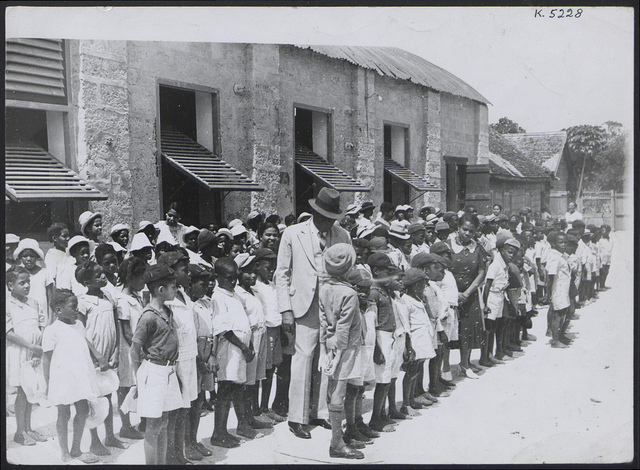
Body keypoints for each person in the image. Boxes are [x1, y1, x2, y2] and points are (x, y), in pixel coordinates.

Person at [275, 187, 351, 439]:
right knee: (303, 359)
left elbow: (348, 270)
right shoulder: (293, 233)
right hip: (303, 306)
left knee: (327, 358)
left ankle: (321, 412)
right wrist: (285, 309)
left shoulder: (343, 236)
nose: (328, 222)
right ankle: (297, 417)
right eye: (324, 216)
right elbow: (282, 274)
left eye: (332, 218)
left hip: (332, 307)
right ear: (315, 212)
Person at [131, 264, 183, 465]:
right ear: (161, 290)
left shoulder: (168, 311)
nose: (176, 290)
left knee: (165, 421)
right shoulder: (149, 316)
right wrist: (139, 380)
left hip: (169, 371)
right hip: (154, 372)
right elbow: (134, 349)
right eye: (173, 286)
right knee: (153, 426)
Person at [43, 289, 103, 463]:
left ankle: (76, 448)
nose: (77, 310)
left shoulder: (79, 325)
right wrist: (48, 383)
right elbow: (46, 359)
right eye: (73, 306)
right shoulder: (52, 330)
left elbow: (83, 345)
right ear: (58, 310)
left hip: (80, 376)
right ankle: (64, 451)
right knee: (64, 413)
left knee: (83, 410)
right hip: (63, 378)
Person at [318, 243, 365, 459]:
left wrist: (326, 350)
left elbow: (323, 322)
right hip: (344, 348)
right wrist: (337, 356)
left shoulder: (325, 289)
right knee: (338, 391)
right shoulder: (349, 293)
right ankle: (336, 443)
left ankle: (338, 439)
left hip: (330, 345)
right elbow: (344, 328)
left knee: (333, 390)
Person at [75, 261, 126, 456]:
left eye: (103, 273)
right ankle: (94, 441)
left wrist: (115, 352)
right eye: (98, 275)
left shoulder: (108, 297)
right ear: (87, 282)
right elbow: (81, 332)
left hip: (109, 356)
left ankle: (110, 436)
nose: (103, 277)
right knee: (94, 400)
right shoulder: (83, 301)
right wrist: (97, 355)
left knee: (108, 395)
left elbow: (115, 327)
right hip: (93, 358)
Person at [156, 251, 200, 463]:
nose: (188, 273)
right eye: (184, 270)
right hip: (177, 358)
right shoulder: (167, 301)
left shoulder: (183, 293)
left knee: (186, 405)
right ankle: (171, 453)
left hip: (190, 356)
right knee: (176, 408)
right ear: (171, 272)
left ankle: (179, 451)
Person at [210, 257, 255, 448]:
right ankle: (218, 433)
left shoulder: (234, 294)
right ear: (218, 277)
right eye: (229, 278)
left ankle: (237, 426)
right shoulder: (217, 296)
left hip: (241, 350)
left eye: (235, 277)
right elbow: (224, 329)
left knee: (237, 388)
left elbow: (243, 320)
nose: (234, 281)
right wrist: (243, 347)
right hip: (229, 350)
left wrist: (249, 344)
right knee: (225, 390)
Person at [6, 266, 46, 446]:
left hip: (34, 353)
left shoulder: (34, 303)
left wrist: (38, 348)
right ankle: (19, 431)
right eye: (22, 283)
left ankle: (28, 428)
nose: (26, 285)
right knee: (22, 391)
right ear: (10, 285)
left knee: (30, 390)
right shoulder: (7, 304)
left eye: (28, 281)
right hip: (18, 352)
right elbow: (8, 332)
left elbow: (42, 325)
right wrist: (31, 346)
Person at [234, 253, 272, 433]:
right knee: (246, 381)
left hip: (261, 335)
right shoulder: (238, 294)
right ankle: (243, 421)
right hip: (250, 337)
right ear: (239, 273)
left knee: (255, 380)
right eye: (247, 273)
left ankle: (251, 417)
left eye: (253, 272)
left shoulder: (255, 291)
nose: (252, 276)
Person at [446, 214, 487, 376]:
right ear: (458, 228)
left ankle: (465, 363)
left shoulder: (477, 247)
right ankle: (445, 370)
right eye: (465, 229)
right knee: (450, 330)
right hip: (450, 295)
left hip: (470, 296)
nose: (467, 234)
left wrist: (468, 293)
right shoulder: (447, 245)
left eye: (471, 231)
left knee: (468, 329)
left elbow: (482, 271)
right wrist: (455, 294)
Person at [366, 252, 400, 433]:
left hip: (390, 336)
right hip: (381, 337)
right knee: (382, 380)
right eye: (387, 271)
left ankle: (381, 414)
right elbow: (371, 322)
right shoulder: (374, 291)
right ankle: (375, 419)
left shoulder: (384, 290)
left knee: (387, 379)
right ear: (376, 271)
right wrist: (377, 348)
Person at [115, 257, 147, 441]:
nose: (143, 281)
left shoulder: (136, 297)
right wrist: (138, 349)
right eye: (141, 277)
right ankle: (125, 425)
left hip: (139, 347)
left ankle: (143, 420)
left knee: (140, 385)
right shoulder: (122, 300)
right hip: (129, 351)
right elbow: (127, 331)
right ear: (130, 277)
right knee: (125, 387)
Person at [252, 248, 285, 421]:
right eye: (267, 267)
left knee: (271, 370)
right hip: (263, 332)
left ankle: (265, 406)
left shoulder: (272, 286)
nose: (271, 271)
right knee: (260, 371)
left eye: (273, 268)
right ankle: (256, 409)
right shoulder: (254, 287)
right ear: (257, 266)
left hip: (276, 330)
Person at [400, 268, 435, 415]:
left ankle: (413, 397)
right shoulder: (405, 301)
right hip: (414, 341)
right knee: (411, 371)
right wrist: (409, 346)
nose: (424, 288)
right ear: (415, 286)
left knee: (417, 370)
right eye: (422, 285)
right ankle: (406, 403)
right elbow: (406, 325)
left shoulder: (419, 300)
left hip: (423, 339)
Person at [483, 234, 520, 364]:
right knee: (488, 328)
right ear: (502, 250)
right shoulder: (496, 265)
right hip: (492, 297)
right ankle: (485, 356)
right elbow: (487, 285)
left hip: (499, 296)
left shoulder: (504, 264)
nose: (512, 256)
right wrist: (484, 304)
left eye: (514, 254)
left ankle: (492, 354)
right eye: (509, 252)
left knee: (496, 326)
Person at [545, 232, 571, 348]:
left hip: (563, 288)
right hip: (558, 288)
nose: (564, 245)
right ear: (553, 243)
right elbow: (551, 276)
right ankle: (555, 340)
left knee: (562, 312)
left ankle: (559, 335)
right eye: (561, 242)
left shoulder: (561, 255)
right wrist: (548, 292)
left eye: (565, 242)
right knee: (557, 314)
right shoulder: (554, 257)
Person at [14, 239, 48, 322]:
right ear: (20, 258)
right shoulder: (18, 274)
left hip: (44, 315)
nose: (28, 259)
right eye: (25, 256)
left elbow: (51, 297)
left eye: (32, 256)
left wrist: (50, 320)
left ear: (37, 257)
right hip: (25, 316)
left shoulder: (45, 272)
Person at [597, 225, 612, 289]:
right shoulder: (600, 240)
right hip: (602, 258)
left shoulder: (610, 239)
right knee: (602, 271)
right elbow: (599, 250)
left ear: (608, 231)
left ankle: (603, 284)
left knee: (606, 271)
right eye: (601, 230)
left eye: (604, 230)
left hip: (608, 257)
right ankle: (600, 285)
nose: (602, 232)